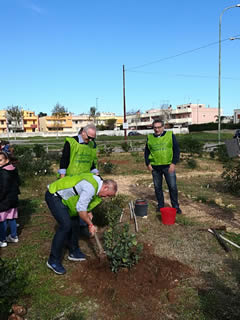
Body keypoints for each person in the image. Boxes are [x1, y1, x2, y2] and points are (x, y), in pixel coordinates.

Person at [45, 173, 117, 275]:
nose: (106, 197)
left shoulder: (97, 182)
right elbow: (81, 210)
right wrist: (90, 224)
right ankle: (53, 261)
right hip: (54, 195)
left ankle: (73, 252)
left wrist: (89, 211)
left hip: (66, 200)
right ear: (105, 187)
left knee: (74, 222)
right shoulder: (91, 187)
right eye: (108, 195)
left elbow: (86, 202)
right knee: (65, 226)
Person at [144, 119, 182, 214]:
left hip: (168, 166)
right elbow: (146, 151)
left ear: (163, 127)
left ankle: (175, 206)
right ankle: (160, 205)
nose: (157, 130)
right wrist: (148, 163)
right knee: (157, 187)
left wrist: (173, 163)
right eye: (155, 128)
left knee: (172, 187)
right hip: (155, 167)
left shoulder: (170, 135)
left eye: (159, 127)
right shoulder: (150, 137)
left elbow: (176, 150)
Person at [0, 151, 20, 248]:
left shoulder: (3, 172)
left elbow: (3, 188)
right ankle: (13, 236)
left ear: (7, 160)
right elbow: (18, 183)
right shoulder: (13, 169)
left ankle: (2, 240)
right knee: (11, 218)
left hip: (4, 201)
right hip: (13, 199)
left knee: (2, 220)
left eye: (0, 160)